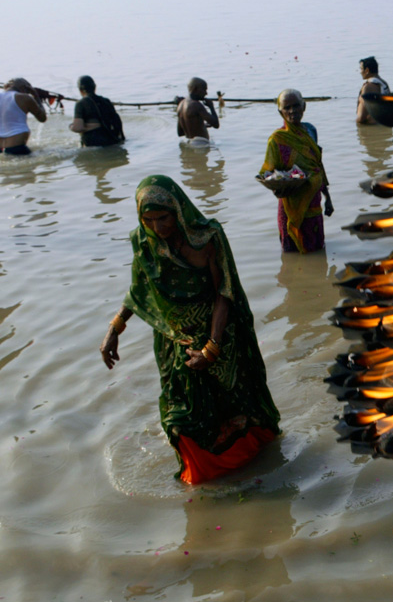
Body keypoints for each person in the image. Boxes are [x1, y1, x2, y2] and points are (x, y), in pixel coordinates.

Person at [99, 175, 281, 484]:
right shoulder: (144, 242)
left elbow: (225, 292)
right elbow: (139, 288)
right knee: (181, 415)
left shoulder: (207, 238)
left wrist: (212, 347)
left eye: (164, 218)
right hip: (173, 337)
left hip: (217, 328)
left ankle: (245, 466)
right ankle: (201, 475)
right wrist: (115, 328)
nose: (158, 227)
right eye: (149, 219)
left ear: (179, 211)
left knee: (234, 402)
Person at [260, 89, 333, 253]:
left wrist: (328, 197)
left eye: (296, 106)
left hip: (313, 200)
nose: (292, 111)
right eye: (287, 108)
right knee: (292, 248)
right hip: (290, 203)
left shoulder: (311, 131)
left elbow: (317, 165)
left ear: (304, 106)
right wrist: (278, 188)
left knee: (317, 248)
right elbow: (269, 174)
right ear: (280, 112)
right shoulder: (277, 139)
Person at [70, 75, 125, 147]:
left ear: (80, 90)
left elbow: (78, 128)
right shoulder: (106, 101)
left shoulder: (81, 104)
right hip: (112, 140)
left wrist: (70, 126)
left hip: (94, 143)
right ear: (95, 87)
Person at [0, 78, 47, 155]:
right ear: (25, 88)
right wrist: (36, 96)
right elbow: (42, 118)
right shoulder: (25, 98)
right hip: (16, 145)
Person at [177, 77, 219, 146]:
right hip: (200, 145)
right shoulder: (196, 105)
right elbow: (216, 124)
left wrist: (201, 125)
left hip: (188, 143)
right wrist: (211, 107)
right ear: (196, 89)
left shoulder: (180, 105)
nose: (206, 93)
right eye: (204, 90)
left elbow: (180, 132)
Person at [356, 56, 391, 125]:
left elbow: (361, 118)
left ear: (367, 70)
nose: (360, 72)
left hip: (371, 128)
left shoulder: (368, 87)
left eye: (361, 69)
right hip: (385, 124)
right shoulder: (383, 83)